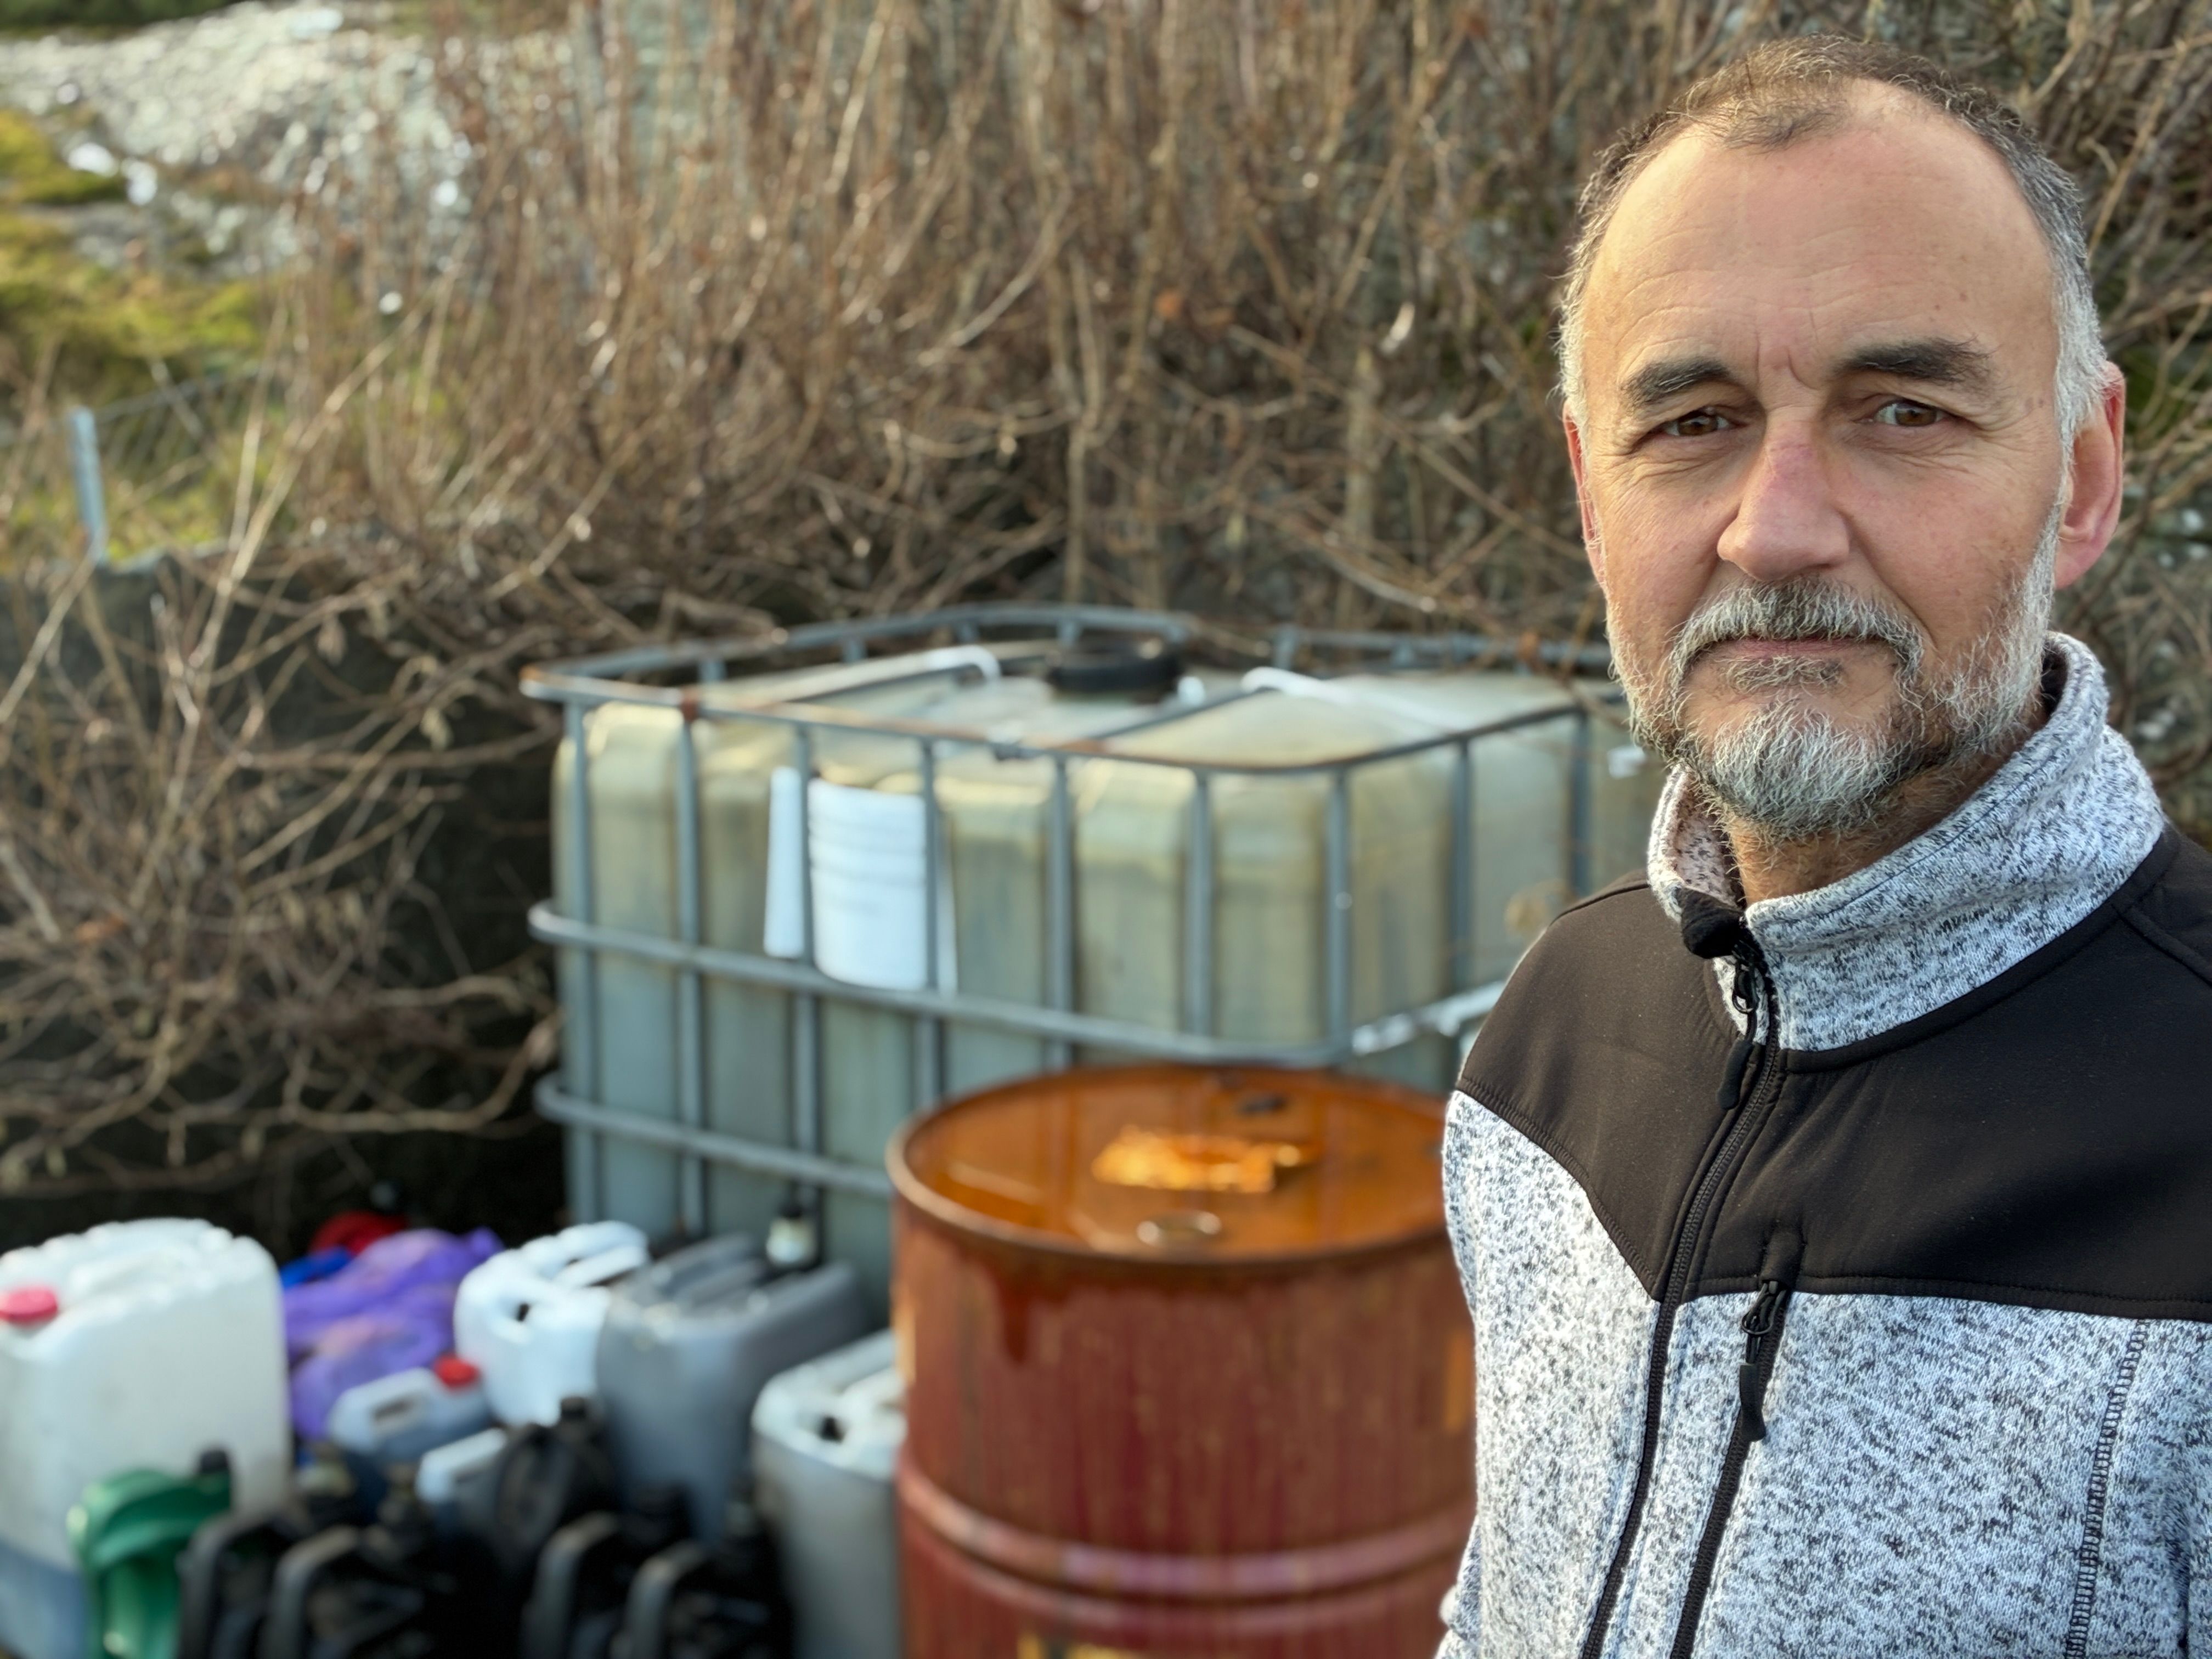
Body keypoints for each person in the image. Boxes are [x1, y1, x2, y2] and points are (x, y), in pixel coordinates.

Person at [1438, 35, 2212, 1658]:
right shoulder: (1552, 1031)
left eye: (1904, 410)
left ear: (2082, 479)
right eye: (1693, 422)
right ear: (1592, 498)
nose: (1776, 528)